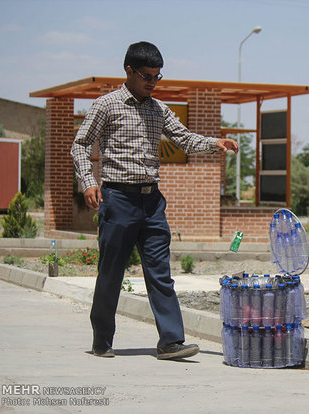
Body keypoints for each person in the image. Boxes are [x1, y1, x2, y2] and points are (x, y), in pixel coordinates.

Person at [71, 41, 238, 360]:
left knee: (160, 272)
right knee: (111, 273)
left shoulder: (158, 109)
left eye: (157, 77)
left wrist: (215, 143)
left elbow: (185, 139)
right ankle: (102, 339)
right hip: (117, 199)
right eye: (147, 75)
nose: (152, 82)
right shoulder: (106, 105)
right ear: (129, 71)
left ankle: (171, 341)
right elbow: (80, 145)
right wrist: (88, 181)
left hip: (152, 203)